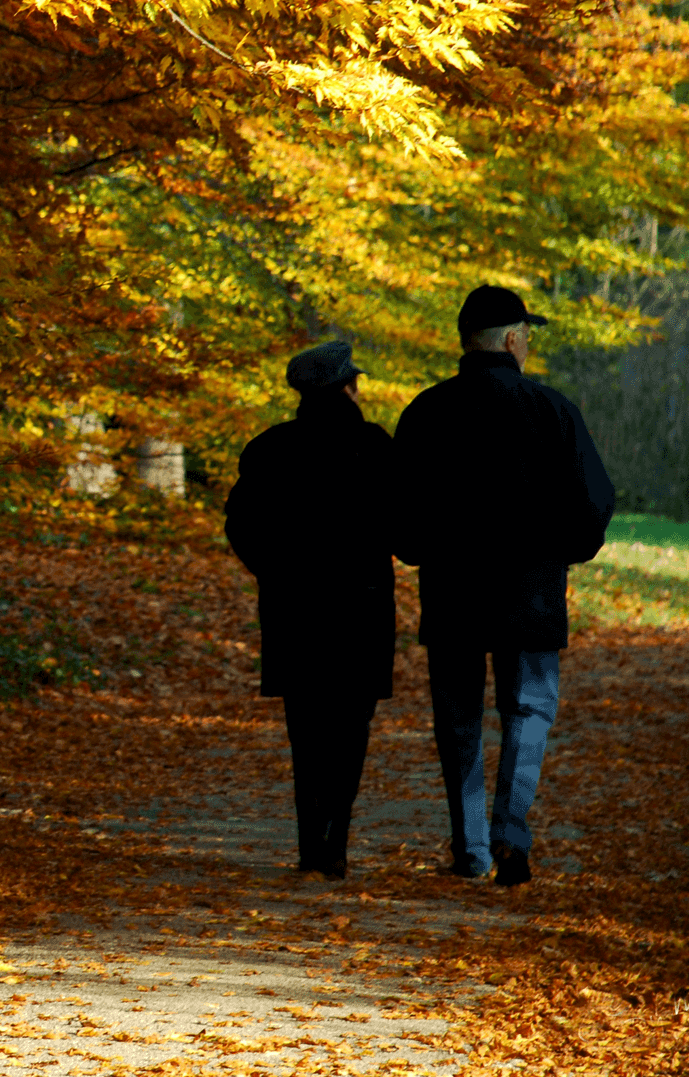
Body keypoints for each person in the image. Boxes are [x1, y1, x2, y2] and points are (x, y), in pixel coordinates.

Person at [392, 285, 615, 886]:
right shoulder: (553, 409)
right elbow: (595, 501)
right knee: (530, 712)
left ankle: (470, 850)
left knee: (459, 720)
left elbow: (399, 511)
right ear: (514, 340)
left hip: (453, 595)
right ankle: (510, 831)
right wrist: (562, 554)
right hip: (531, 594)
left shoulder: (426, 412)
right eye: (527, 336)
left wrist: (419, 551)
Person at [225, 340, 397, 879]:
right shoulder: (374, 447)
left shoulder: (268, 449)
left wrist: (274, 572)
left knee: (305, 728)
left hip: (293, 609)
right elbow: (402, 523)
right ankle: (337, 839)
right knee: (352, 726)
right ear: (347, 388)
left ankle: (309, 843)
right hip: (361, 610)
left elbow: (241, 526)